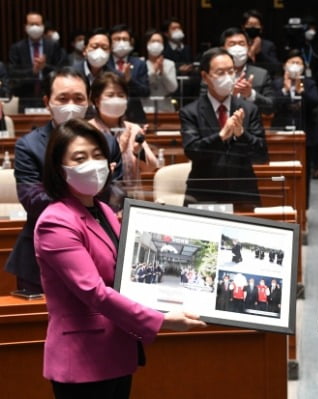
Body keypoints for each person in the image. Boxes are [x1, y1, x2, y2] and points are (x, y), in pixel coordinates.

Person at [34, 118, 205, 398]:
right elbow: (95, 292)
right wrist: (162, 319)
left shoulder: (103, 210)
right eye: (80, 158)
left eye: (98, 154)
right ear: (59, 169)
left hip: (116, 352)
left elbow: (130, 273)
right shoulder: (56, 222)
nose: (92, 163)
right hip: (82, 362)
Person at [4, 67, 123, 293]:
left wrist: (99, 187)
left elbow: (117, 195)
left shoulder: (107, 143)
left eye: (78, 98)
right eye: (63, 98)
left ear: (89, 101)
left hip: (103, 253)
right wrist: (86, 184)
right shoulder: (28, 146)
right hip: (42, 260)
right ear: (48, 101)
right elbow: (35, 201)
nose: (71, 104)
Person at [179, 47, 268, 211]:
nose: (227, 77)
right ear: (205, 77)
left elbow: (261, 155)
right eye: (220, 72)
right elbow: (192, 151)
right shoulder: (190, 112)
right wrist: (220, 136)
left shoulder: (249, 109)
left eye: (231, 71)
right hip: (204, 193)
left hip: (243, 193)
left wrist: (241, 134)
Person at [88, 72, 158, 196]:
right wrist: (119, 149)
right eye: (110, 95)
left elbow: (151, 167)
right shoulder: (88, 130)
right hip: (100, 199)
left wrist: (138, 151)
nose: (116, 100)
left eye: (121, 95)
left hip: (132, 199)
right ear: (97, 101)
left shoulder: (133, 128)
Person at [271, 49, 318, 191]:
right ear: (284, 65)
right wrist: (285, 90)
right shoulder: (276, 83)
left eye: (298, 63)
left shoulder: (309, 83)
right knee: (280, 167)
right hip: (281, 132)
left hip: (305, 132)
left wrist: (301, 90)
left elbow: (314, 102)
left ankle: (303, 203)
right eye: (292, 62)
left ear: (303, 67)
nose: (295, 65)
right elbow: (272, 105)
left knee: (304, 169)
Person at [8, 11, 66, 111]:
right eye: (31, 24)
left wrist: (44, 67)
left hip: (50, 95)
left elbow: (61, 69)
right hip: (25, 96)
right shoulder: (17, 48)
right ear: (25, 27)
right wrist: (33, 71)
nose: (35, 27)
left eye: (38, 24)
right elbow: (12, 73)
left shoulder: (53, 46)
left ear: (43, 26)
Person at [220, 27, 275, 114]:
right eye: (232, 44)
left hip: (251, 125)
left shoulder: (261, 75)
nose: (237, 48)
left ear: (248, 48)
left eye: (241, 44)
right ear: (223, 49)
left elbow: (271, 107)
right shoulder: (213, 75)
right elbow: (204, 107)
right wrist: (229, 95)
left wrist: (250, 94)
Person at [108, 24, 149, 124]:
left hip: (133, 115)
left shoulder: (139, 63)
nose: (121, 42)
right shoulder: (104, 63)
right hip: (108, 113)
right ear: (110, 42)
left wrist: (130, 80)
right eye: (117, 39)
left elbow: (145, 92)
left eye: (124, 39)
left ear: (131, 42)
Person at [142, 29, 178, 112]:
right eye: (153, 41)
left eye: (159, 41)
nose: (156, 44)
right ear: (147, 44)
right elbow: (142, 86)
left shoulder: (169, 64)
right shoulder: (141, 63)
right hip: (146, 107)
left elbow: (173, 88)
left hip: (166, 108)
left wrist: (163, 72)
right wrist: (153, 72)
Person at [241, 9, 280, 77]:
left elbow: (276, 66)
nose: (253, 28)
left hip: (263, 78)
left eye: (256, 25)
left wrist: (259, 53)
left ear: (261, 28)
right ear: (243, 27)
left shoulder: (269, 45)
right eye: (249, 25)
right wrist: (252, 49)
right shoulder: (239, 44)